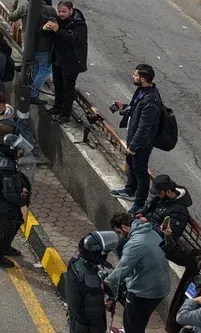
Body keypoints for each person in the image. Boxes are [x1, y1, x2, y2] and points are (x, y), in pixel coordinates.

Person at [105, 212, 172, 333]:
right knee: (141, 319)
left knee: (132, 323)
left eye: (119, 232)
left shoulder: (134, 244)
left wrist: (105, 285)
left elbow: (121, 271)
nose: (120, 236)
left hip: (143, 291)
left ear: (125, 227)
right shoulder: (152, 233)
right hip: (161, 288)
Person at [112, 63, 164, 213]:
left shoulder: (151, 101)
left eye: (136, 76)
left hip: (141, 143)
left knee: (140, 171)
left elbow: (144, 127)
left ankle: (139, 202)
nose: (133, 77)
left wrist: (133, 146)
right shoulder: (141, 91)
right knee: (131, 165)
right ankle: (129, 190)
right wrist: (125, 107)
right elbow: (135, 108)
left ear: (143, 78)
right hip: (133, 138)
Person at [0, 134, 33, 268]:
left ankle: (6, 247)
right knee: (5, 232)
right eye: (17, 150)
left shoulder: (1, 157)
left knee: (16, 223)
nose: (20, 152)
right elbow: (10, 192)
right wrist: (22, 201)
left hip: (3, 203)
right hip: (6, 205)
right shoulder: (6, 168)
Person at [65, 231, 116, 333]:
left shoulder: (75, 261)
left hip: (74, 316)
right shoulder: (91, 281)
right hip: (85, 327)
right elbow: (95, 315)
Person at [48, 0, 88, 122]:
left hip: (71, 62)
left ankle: (65, 114)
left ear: (71, 10)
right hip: (58, 59)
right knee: (57, 84)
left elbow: (72, 40)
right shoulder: (58, 20)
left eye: (64, 12)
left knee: (67, 88)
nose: (61, 14)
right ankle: (57, 107)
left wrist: (57, 30)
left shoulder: (79, 25)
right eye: (59, 11)